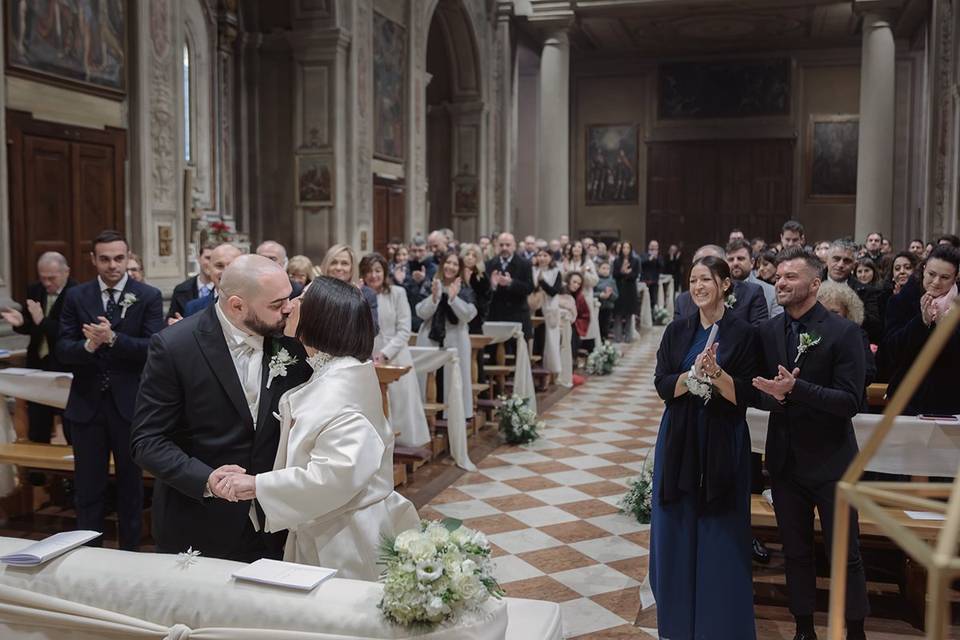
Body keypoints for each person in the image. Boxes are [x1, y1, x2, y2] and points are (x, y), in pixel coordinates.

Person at [212, 277, 420, 580]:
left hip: (344, 536)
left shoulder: (339, 389)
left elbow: (334, 475)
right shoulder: (337, 371)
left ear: (321, 316)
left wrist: (257, 485)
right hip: (328, 521)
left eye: (302, 299)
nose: (290, 304)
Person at [131, 255, 313, 561]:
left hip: (277, 522)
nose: (287, 309)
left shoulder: (292, 340)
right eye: (275, 303)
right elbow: (147, 441)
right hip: (199, 523)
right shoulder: (175, 347)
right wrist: (206, 479)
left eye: (289, 298)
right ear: (237, 306)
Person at [752, 246, 869, 640]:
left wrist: (796, 389)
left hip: (833, 463)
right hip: (785, 464)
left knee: (845, 556)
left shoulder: (844, 332)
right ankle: (804, 628)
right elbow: (764, 392)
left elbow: (850, 402)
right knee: (796, 553)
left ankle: (855, 630)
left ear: (815, 284)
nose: (780, 282)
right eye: (778, 276)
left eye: (790, 277)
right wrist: (773, 395)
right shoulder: (769, 331)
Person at [650, 256, 758, 640]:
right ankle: (678, 627)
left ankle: (719, 627)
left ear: (725, 284)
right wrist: (689, 377)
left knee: (719, 532)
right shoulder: (677, 331)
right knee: (675, 529)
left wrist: (716, 375)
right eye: (693, 280)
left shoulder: (744, 334)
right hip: (679, 437)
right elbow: (662, 384)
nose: (698, 287)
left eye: (706, 280)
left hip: (721, 437)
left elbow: (746, 394)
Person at [57, 230, 164, 550]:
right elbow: (61, 349)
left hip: (130, 405)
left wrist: (115, 340)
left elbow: (154, 348)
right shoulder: (78, 296)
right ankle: (88, 553)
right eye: (104, 259)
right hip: (87, 404)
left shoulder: (148, 295)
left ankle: (129, 554)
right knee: (88, 488)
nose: (112, 265)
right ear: (93, 260)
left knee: (131, 488)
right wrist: (88, 345)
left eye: (119, 258)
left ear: (128, 256)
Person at [2, 252, 76, 443]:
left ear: (66, 272)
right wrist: (19, 323)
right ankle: (39, 473)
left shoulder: (77, 293)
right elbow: (31, 326)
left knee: (72, 427)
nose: (46, 283)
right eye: (43, 278)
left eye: (51, 278)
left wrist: (42, 321)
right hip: (38, 364)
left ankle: (73, 471)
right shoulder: (35, 290)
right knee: (37, 425)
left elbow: (69, 332)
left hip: (65, 367)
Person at [360, 253, 430, 448]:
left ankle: (406, 446)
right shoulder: (360, 294)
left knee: (401, 404)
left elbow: (404, 329)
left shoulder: (397, 293)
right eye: (368, 272)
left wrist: (385, 354)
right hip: (369, 357)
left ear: (384, 272)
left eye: (377, 271)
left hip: (396, 355)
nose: (373, 275)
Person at [883, 245, 960, 415]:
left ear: (956, 277)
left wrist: (944, 329)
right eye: (932, 274)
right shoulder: (901, 301)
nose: (936, 282)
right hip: (908, 399)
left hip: (952, 401)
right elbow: (891, 351)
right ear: (924, 268)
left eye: (945, 277)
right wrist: (921, 323)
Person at [416, 252, 478, 426]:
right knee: (429, 377)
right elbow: (420, 312)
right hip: (430, 337)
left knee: (453, 379)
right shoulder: (430, 283)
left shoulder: (464, 288)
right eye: (448, 263)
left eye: (455, 264)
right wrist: (434, 297)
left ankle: (455, 416)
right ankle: (427, 416)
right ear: (442, 265)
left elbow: (468, 315)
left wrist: (453, 298)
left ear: (459, 268)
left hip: (455, 338)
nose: (451, 267)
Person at [817, 281, 876, 410]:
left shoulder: (858, 335)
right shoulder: (809, 334)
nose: (828, 317)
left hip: (850, 409)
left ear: (848, 313)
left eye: (834, 312)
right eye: (822, 311)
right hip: (815, 407)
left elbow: (869, 373)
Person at [675, 245, 768, 326]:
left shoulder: (750, 294)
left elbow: (758, 338)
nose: (699, 286)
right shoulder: (683, 301)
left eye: (710, 263)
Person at [826, 240, 884, 344]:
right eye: (836, 259)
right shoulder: (811, 285)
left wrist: (850, 308)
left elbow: (875, 326)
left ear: (854, 265)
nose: (840, 265)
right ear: (827, 260)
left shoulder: (866, 291)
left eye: (847, 261)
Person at [485, 232, 534, 339]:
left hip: (517, 313)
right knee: (494, 353)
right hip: (496, 315)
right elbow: (484, 292)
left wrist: (511, 283)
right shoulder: (489, 264)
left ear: (514, 246)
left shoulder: (525, 264)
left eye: (508, 245)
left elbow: (529, 288)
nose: (504, 248)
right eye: (501, 245)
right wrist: (492, 285)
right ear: (496, 246)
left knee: (518, 352)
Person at [182, 243, 244, 318]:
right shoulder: (194, 308)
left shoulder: (257, 304)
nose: (225, 272)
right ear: (209, 269)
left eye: (232, 266)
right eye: (219, 266)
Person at [726, 239, 781, 318]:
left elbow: (776, 328)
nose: (735, 263)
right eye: (731, 260)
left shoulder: (772, 293)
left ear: (752, 263)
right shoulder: (719, 291)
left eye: (740, 258)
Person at [531, 248, 562, 375]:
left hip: (549, 308)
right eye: (540, 255)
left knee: (549, 339)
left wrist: (542, 282)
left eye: (545, 255)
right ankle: (536, 368)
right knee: (536, 338)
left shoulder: (556, 272)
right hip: (534, 308)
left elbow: (554, 291)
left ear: (550, 258)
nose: (542, 258)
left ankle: (550, 370)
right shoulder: (532, 270)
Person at [167, 243, 215, 323]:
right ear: (199, 258)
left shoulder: (224, 290)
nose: (211, 263)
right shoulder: (181, 289)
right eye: (207, 258)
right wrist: (174, 322)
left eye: (214, 259)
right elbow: (171, 316)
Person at [564, 241, 601, 345]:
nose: (576, 249)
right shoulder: (567, 262)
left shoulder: (588, 263)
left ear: (582, 250)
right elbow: (563, 279)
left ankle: (586, 346)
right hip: (569, 298)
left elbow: (595, 280)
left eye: (579, 247)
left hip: (584, 296)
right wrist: (566, 272)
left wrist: (584, 273)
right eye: (574, 246)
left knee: (586, 324)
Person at [612, 241, 640, 341]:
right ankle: (617, 337)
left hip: (630, 289)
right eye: (624, 248)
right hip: (619, 288)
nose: (625, 250)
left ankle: (628, 336)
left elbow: (636, 274)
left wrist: (627, 273)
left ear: (630, 249)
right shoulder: (616, 261)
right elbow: (614, 274)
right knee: (618, 314)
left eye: (628, 248)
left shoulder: (635, 261)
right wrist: (622, 272)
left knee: (629, 314)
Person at [460, 243, 490, 335]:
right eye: (467, 254)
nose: (470, 258)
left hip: (475, 318)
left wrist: (468, 284)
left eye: (474, 256)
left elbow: (484, 299)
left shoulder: (481, 277)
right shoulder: (456, 272)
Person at [594, 261, 618, 342]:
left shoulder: (612, 281)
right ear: (598, 269)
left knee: (605, 327)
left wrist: (610, 294)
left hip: (608, 308)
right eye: (603, 268)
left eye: (608, 268)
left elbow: (616, 296)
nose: (605, 270)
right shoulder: (595, 279)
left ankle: (604, 345)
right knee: (598, 327)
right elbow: (591, 294)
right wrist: (600, 295)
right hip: (597, 307)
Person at [639, 240, 663, 308]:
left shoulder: (659, 257)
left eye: (655, 246)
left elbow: (662, 266)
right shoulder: (644, 255)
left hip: (654, 281)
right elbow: (641, 263)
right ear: (649, 246)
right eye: (652, 245)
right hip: (645, 280)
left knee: (653, 299)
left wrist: (656, 258)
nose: (654, 247)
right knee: (643, 299)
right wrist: (650, 258)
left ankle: (653, 315)